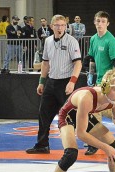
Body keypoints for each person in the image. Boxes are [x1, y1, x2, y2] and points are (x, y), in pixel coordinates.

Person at [25, 14, 82, 154]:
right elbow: (45, 63)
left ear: (66, 27)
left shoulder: (72, 41)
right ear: (52, 27)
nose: (60, 28)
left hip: (66, 82)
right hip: (51, 81)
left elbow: (78, 64)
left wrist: (72, 82)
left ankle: (90, 142)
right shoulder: (48, 41)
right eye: (57, 25)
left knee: (72, 115)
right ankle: (42, 145)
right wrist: (41, 82)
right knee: (43, 113)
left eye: (63, 25)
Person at [85, 11, 115, 155]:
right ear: (94, 22)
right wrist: (91, 74)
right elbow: (92, 58)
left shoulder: (110, 40)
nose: (100, 24)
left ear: (107, 24)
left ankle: (93, 143)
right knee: (108, 112)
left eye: (103, 21)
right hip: (97, 80)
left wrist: (111, 82)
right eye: (98, 21)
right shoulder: (94, 39)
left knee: (94, 110)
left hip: (106, 82)